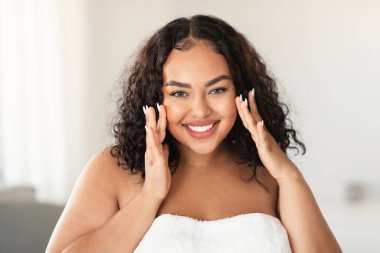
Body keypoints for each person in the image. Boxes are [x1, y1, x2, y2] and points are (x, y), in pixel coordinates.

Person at [46, 15, 342, 253]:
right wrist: (150, 196)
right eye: (179, 93)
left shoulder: (271, 175)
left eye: (217, 89)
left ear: (241, 91)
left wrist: (290, 178)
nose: (200, 110)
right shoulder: (113, 169)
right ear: (154, 98)